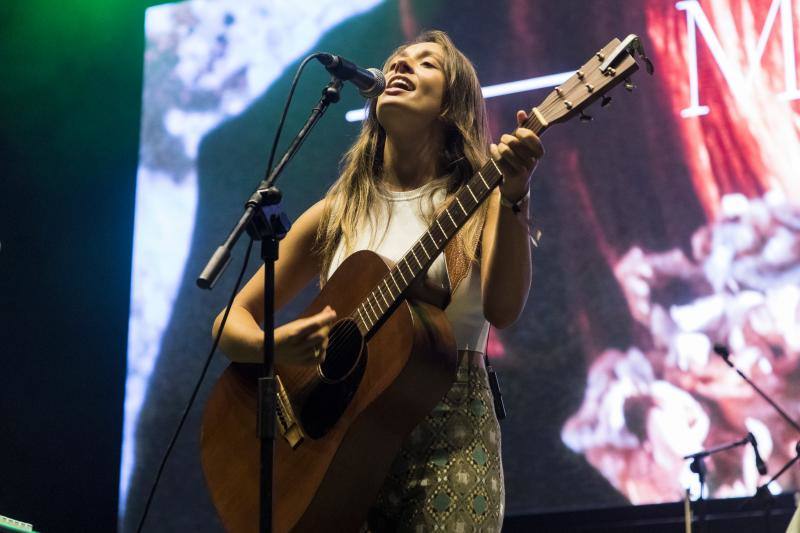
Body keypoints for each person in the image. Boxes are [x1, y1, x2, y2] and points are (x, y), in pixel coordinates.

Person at [213, 29, 542, 532]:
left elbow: (504, 309)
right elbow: (229, 322)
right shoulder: (337, 212)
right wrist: (274, 346)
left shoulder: (482, 201)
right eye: (397, 61)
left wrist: (515, 196)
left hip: (449, 439)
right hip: (336, 451)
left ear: (453, 105)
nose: (402, 67)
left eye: (426, 63)